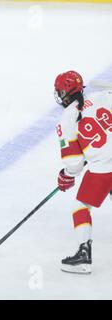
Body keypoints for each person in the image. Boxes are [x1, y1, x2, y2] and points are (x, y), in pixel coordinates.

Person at [54, 70, 112, 274]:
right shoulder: (101, 97)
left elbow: (75, 163)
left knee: (81, 206)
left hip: (103, 170)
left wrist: (66, 175)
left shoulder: (67, 119)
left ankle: (83, 257)